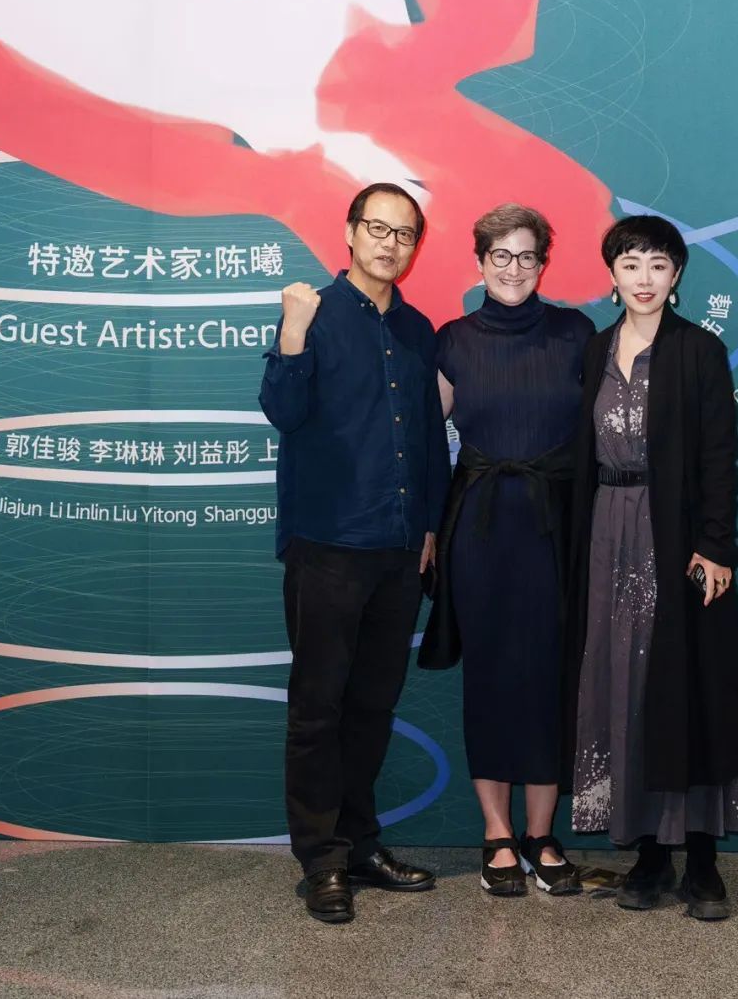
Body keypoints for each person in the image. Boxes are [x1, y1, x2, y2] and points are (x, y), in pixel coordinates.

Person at [258, 182, 451, 925]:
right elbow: (283, 411)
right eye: (378, 228)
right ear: (349, 231)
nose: (389, 244)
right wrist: (292, 331)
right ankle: (321, 860)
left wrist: (429, 525)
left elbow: (429, 438)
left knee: (372, 707)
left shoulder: (418, 329)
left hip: (399, 549)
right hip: (328, 545)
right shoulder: (313, 312)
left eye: (404, 234)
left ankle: (361, 843)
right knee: (319, 708)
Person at [566, 214, 738, 918]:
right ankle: (648, 853)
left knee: (686, 687)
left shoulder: (699, 350)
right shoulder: (594, 350)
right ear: (612, 274)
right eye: (631, 264)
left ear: (676, 277)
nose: (643, 278)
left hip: (677, 539)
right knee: (623, 683)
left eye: (658, 265)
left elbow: (720, 456)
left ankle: (701, 860)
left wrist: (716, 544)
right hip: (607, 533)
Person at [419, 205, 594, 896]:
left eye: (526, 256)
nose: (513, 268)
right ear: (480, 261)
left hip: (557, 527)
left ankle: (541, 833)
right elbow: (422, 443)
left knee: (551, 673)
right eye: (501, 255)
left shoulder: (575, 333)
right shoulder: (453, 340)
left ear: (543, 264)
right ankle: (496, 832)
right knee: (489, 676)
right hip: (479, 529)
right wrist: (425, 526)